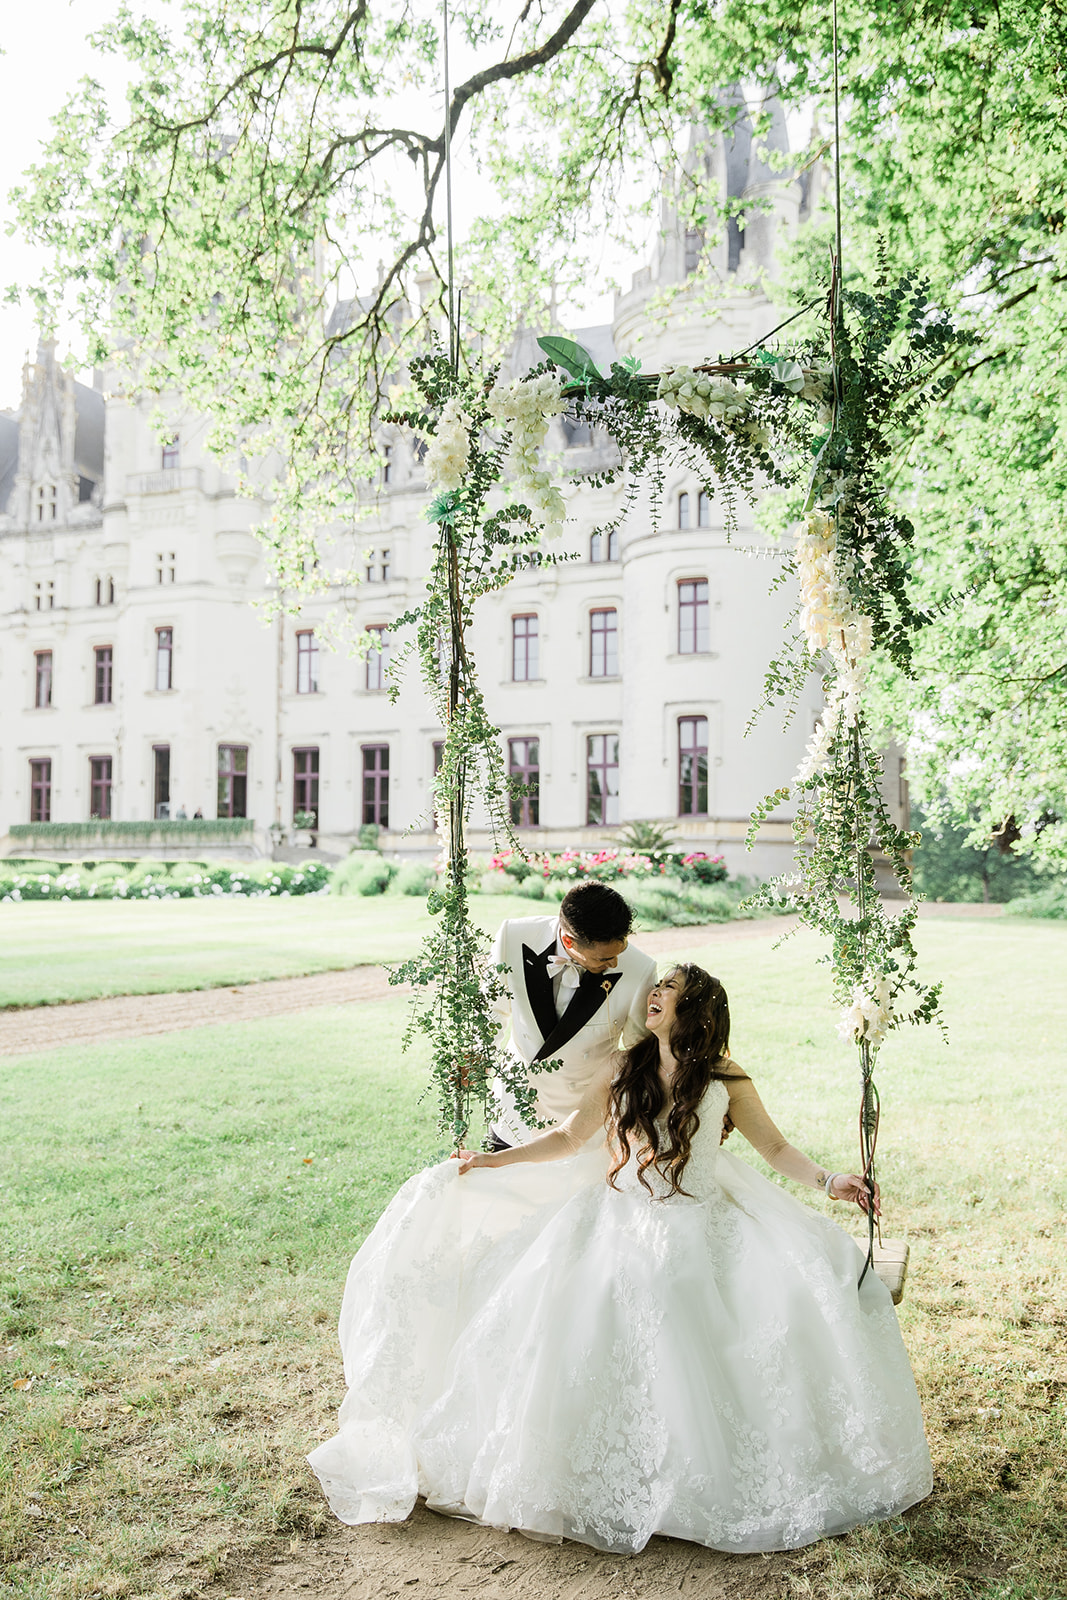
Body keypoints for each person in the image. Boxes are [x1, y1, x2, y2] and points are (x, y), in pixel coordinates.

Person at [308, 964, 932, 1555]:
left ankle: (697, 1467)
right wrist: (492, 1161)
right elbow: (571, 1137)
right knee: (587, 1292)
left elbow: (774, 1147)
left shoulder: (725, 1077)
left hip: (701, 1211)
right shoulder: (625, 1065)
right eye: (656, 985)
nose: (654, 991)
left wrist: (830, 1180)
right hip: (619, 1209)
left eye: (670, 988)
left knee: (728, 1288)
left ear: (691, 1010)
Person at [486, 880, 657, 1147]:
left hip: (583, 1124)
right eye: (603, 959)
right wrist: (474, 1058)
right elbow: (491, 1010)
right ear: (568, 940)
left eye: (620, 951)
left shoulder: (640, 970)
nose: (614, 964)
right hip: (514, 1111)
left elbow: (641, 1056)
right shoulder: (512, 936)